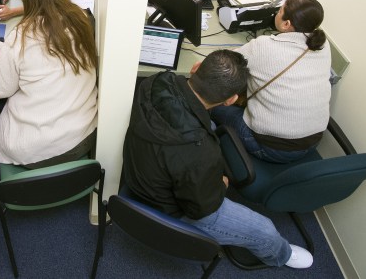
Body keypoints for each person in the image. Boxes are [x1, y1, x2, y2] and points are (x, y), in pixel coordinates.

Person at [122, 50, 313, 268]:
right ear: (230, 100)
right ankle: (281, 255)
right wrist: (220, 187)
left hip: (145, 166)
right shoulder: (201, 153)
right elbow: (200, 208)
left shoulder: (157, 80)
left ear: (195, 67)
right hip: (167, 205)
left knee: (210, 126)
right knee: (265, 229)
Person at [0, 0, 97, 168]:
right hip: (83, 135)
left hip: (38, 151)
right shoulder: (82, 20)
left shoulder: (21, 37)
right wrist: (3, 49)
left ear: (27, 4)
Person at [211, 0, 332, 163]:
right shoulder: (323, 45)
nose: (276, 12)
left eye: (280, 10)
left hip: (271, 148)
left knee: (214, 105)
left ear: (286, 24)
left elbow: (221, 65)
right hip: (312, 142)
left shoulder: (262, 46)